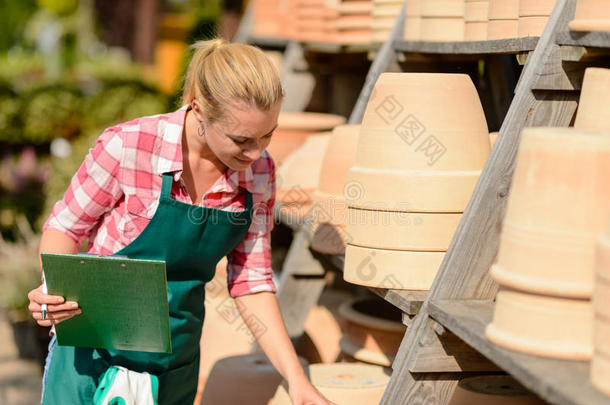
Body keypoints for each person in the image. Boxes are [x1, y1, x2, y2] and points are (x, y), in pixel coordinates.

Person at [27, 38, 335, 405]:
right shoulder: (129, 146)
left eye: (268, 135)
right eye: (241, 140)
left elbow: (252, 282)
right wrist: (52, 290)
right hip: (91, 360)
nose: (257, 153)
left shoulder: (259, 174)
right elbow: (65, 225)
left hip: (173, 368)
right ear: (199, 112)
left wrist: (297, 381)